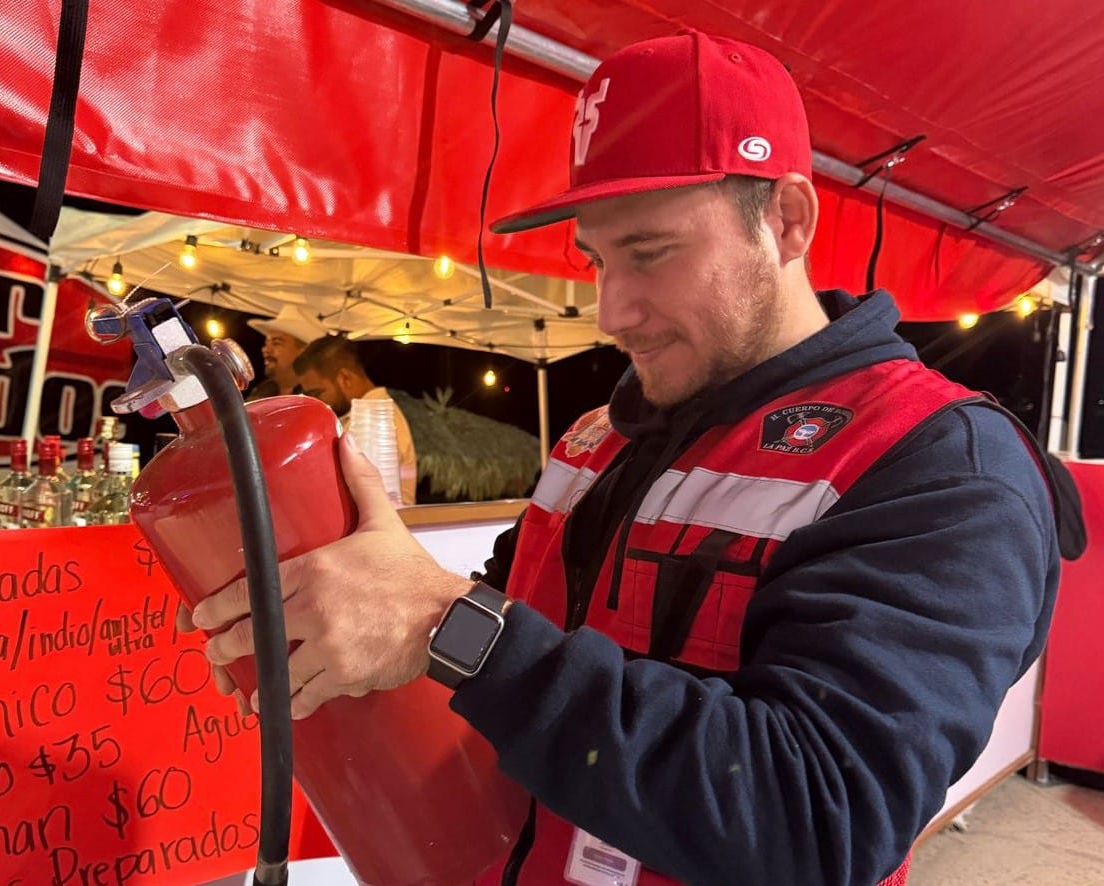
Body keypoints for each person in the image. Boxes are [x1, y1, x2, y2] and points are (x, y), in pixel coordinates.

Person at [187, 31, 1060, 886]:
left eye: (650, 253)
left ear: (786, 221)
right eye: (598, 259)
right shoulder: (598, 435)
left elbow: (821, 820)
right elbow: (512, 631)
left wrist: (442, 624)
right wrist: (358, 626)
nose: (613, 310)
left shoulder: (938, 462)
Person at [293, 334, 418, 506]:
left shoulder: (376, 421)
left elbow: (366, 501)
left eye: (317, 393)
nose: (317, 402)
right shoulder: (360, 416)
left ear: (345, 378)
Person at [244, 305, 318, 401]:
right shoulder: (260, 393)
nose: (266, 349)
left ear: (303, 352)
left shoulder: (315, 399)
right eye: (266, 343)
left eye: (276, 343)